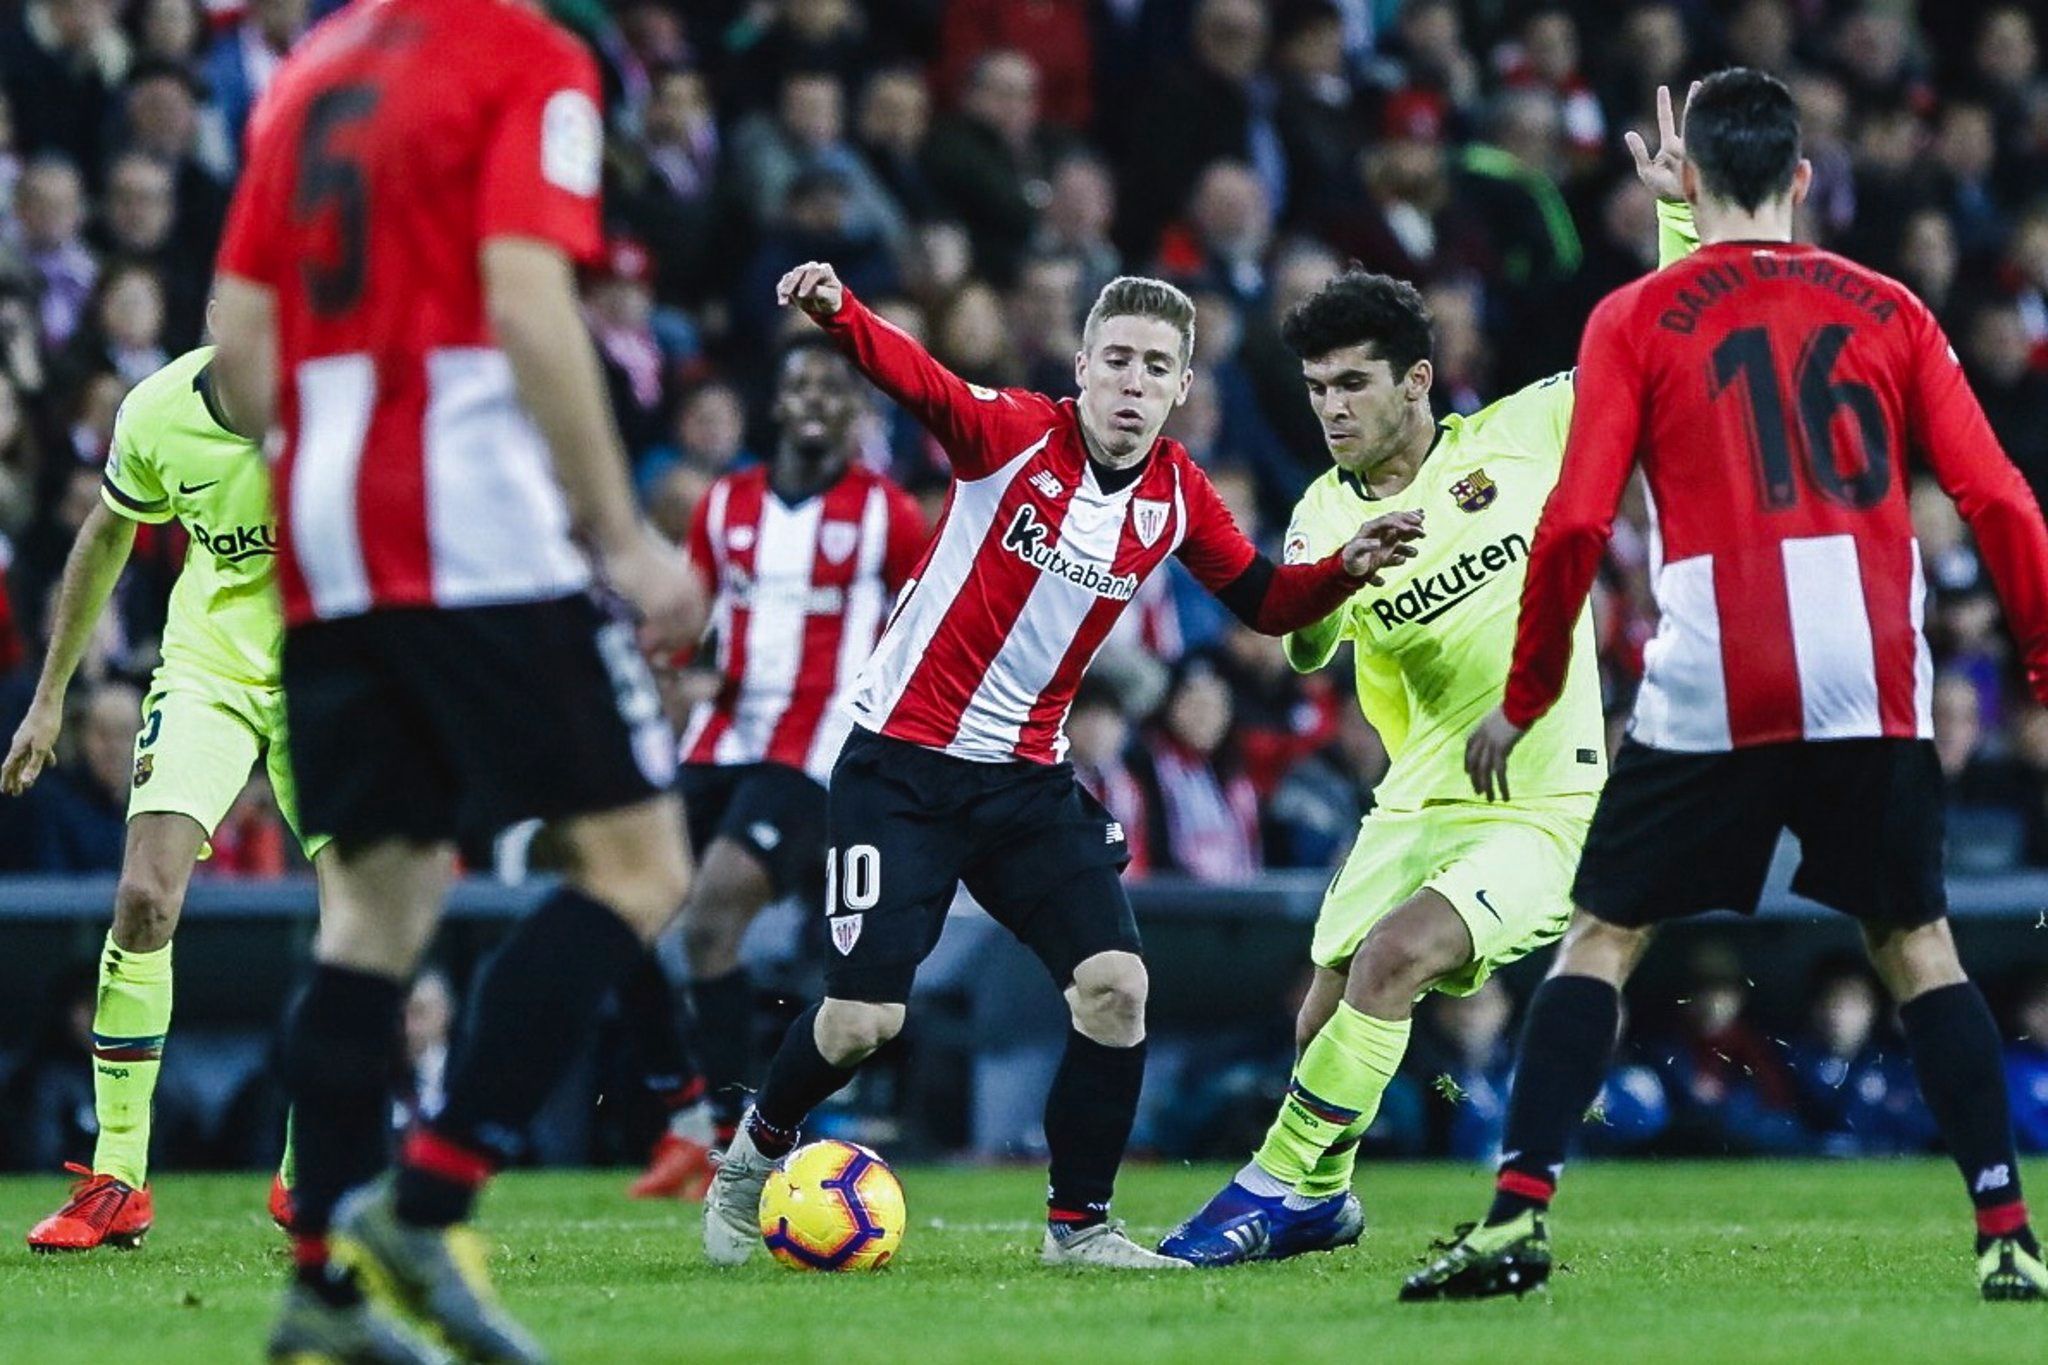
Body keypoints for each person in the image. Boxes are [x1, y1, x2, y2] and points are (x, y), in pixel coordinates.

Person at [1406, 68, 2048, 1305]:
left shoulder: (1636, 316)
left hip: (1718, 664)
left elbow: (1577, 523)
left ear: (1686, 181)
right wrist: (2037, 663)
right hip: (1869, 667)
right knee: (1916, 944)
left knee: (1603, 936)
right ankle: (2006, 1230)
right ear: (1803, 180)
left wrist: (1530, 691)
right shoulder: (1889, 308)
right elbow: (2002, 503)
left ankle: (1515, 1216)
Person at [700, 259, 1426, 1271]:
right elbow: (920, 382)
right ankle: (751, 1157)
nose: (1132, 383)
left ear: (1180, 390)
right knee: (864, 1020)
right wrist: (840, 313)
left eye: (1155, 368)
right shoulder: (1007, 437)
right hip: (899, 768)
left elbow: (1264, 601)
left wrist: (1336, 574)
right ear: (1080, 367)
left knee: (1116, 986)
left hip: (1024, 784)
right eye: (1117, 360)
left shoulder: (1176, 493)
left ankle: (1076, 1229)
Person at [209, 0, 707, 1357]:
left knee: (371, 911)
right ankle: (430, 1199)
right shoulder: (529, 57)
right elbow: (528, 303)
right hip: (467, 517)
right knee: (638, 866)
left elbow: (239, 358)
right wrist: (622, 538)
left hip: (322, 533)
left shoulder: (301, 78)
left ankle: (320, 1287)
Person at [1154, 85, 1702, 1267]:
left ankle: (1259, 1194)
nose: (1330, 410)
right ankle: (1322, 1200)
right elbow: (1292, 643)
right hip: (1409, 803)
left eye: (1351, 384)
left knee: (1395, 961)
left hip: (1544, 806)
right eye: (1313, 390)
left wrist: (1677, 223)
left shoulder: (1517, 437)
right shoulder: (1314, 511)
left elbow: (1657, 347)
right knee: (1318, 1018)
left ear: (1416, 380)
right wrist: (1339, 577)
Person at [4, 341, 325, 1250]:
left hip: (330, 669)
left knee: (360, 919)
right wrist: (49, 695)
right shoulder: (155, 410)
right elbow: (107, 536)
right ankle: (118, 1179)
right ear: (225, 315)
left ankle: (315, 1172)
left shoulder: (338, 394)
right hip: (208, 667)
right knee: (144, 898)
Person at [623, 333, 925, 1200]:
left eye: (835, 388)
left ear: (861, 412)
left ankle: (729, 1131)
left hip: (816, 754)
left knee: (713, 909)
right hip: (718, 739)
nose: (816, 401)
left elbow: (924, 621)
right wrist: (679, 658)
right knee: (618, 896)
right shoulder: (725, 505)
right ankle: (691, 1113)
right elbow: (692, 618)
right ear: (778, 403)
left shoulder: (888, 514)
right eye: (800, 385)